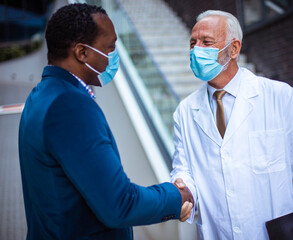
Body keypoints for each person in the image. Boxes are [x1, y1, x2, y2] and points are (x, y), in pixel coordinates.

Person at [18, 3, 193, 240]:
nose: (114, 56)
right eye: (109, 48)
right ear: (82, 53)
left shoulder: (41, 95)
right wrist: (176, 197)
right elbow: (119, 204)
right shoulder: (69, 106)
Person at [171, 10, 293, 239]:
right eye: (193, 43)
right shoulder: (184, 112)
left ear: (234, 49)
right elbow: (183, 169)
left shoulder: (280, 97)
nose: (197, 50)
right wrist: (183, 188)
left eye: (206, 42)